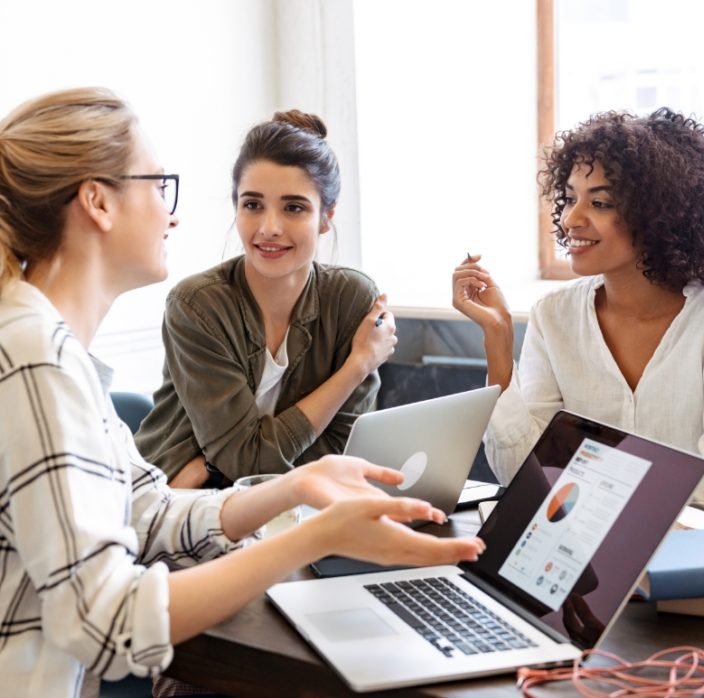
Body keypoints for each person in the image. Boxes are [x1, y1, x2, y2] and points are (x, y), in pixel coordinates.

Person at [0, 87, 485, 697]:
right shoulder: (34, 361)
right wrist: (315, 536)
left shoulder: (50, 350)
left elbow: (146, 510)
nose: (171, 214)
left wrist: (296, 485)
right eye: (158, 185)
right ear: (97, 202)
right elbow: (106, 621)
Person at [452, 108, 704, 522]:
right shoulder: (555, 316)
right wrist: (498, 339)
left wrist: (582, 485)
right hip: (579, 560)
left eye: (599, 202)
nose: (570, 219)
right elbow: (523, 474)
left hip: (695, 566)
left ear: (659, 215)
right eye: (569, 198)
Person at [135, 110, 393, 489]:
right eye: (252, 204)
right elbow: (246, 459)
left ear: (325, 218)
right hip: (175, 504)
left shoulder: (352, 300)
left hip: (287, 506)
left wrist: (214, 464)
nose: (269, 228)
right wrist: (357, 365)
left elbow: (342, 453)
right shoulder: (197, 306)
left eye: (294, 207)